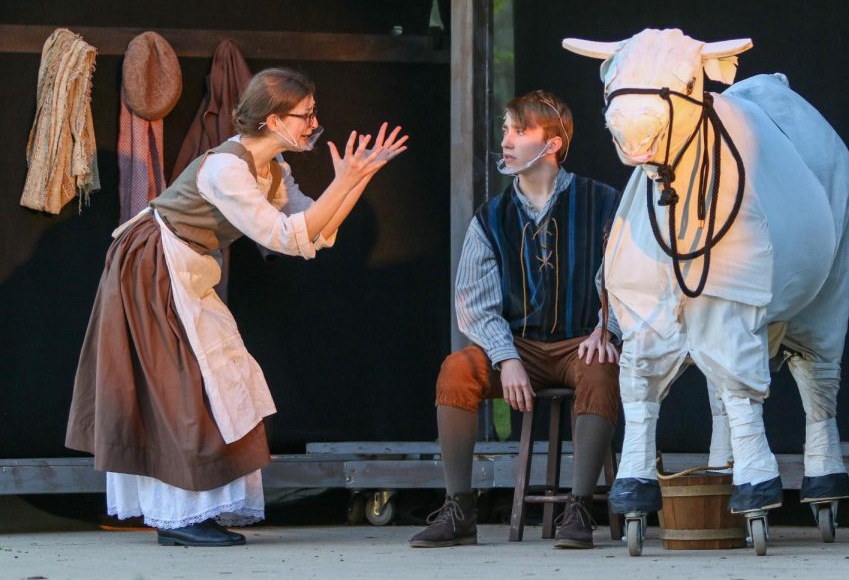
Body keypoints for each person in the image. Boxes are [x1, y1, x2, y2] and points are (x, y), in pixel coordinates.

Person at [65, 67, 408, 547]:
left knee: (222, 379)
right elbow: (286, 238)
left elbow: (312, 232)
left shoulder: (273, 170)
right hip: (152, 269)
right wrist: (345, 182)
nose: (314, 124)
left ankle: (196, 509)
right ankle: (177, 518)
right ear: (272, 119)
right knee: (181, 387)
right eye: (305, 115)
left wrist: (354, 180)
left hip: (186, 268)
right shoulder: (227, 168)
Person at [409, 90, 621, 549]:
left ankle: (580, 510)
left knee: (603, 369)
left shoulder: (604, 204)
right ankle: (459, 509)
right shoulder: (491, 218)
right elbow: (474, 302)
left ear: (552, 145)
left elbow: (627, 278)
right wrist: (506, 358)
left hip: (581, 341)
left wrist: (608, 328)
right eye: (506, 129)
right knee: (457, 369)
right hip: (518, 344)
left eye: (519, 130)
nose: (505, 140)